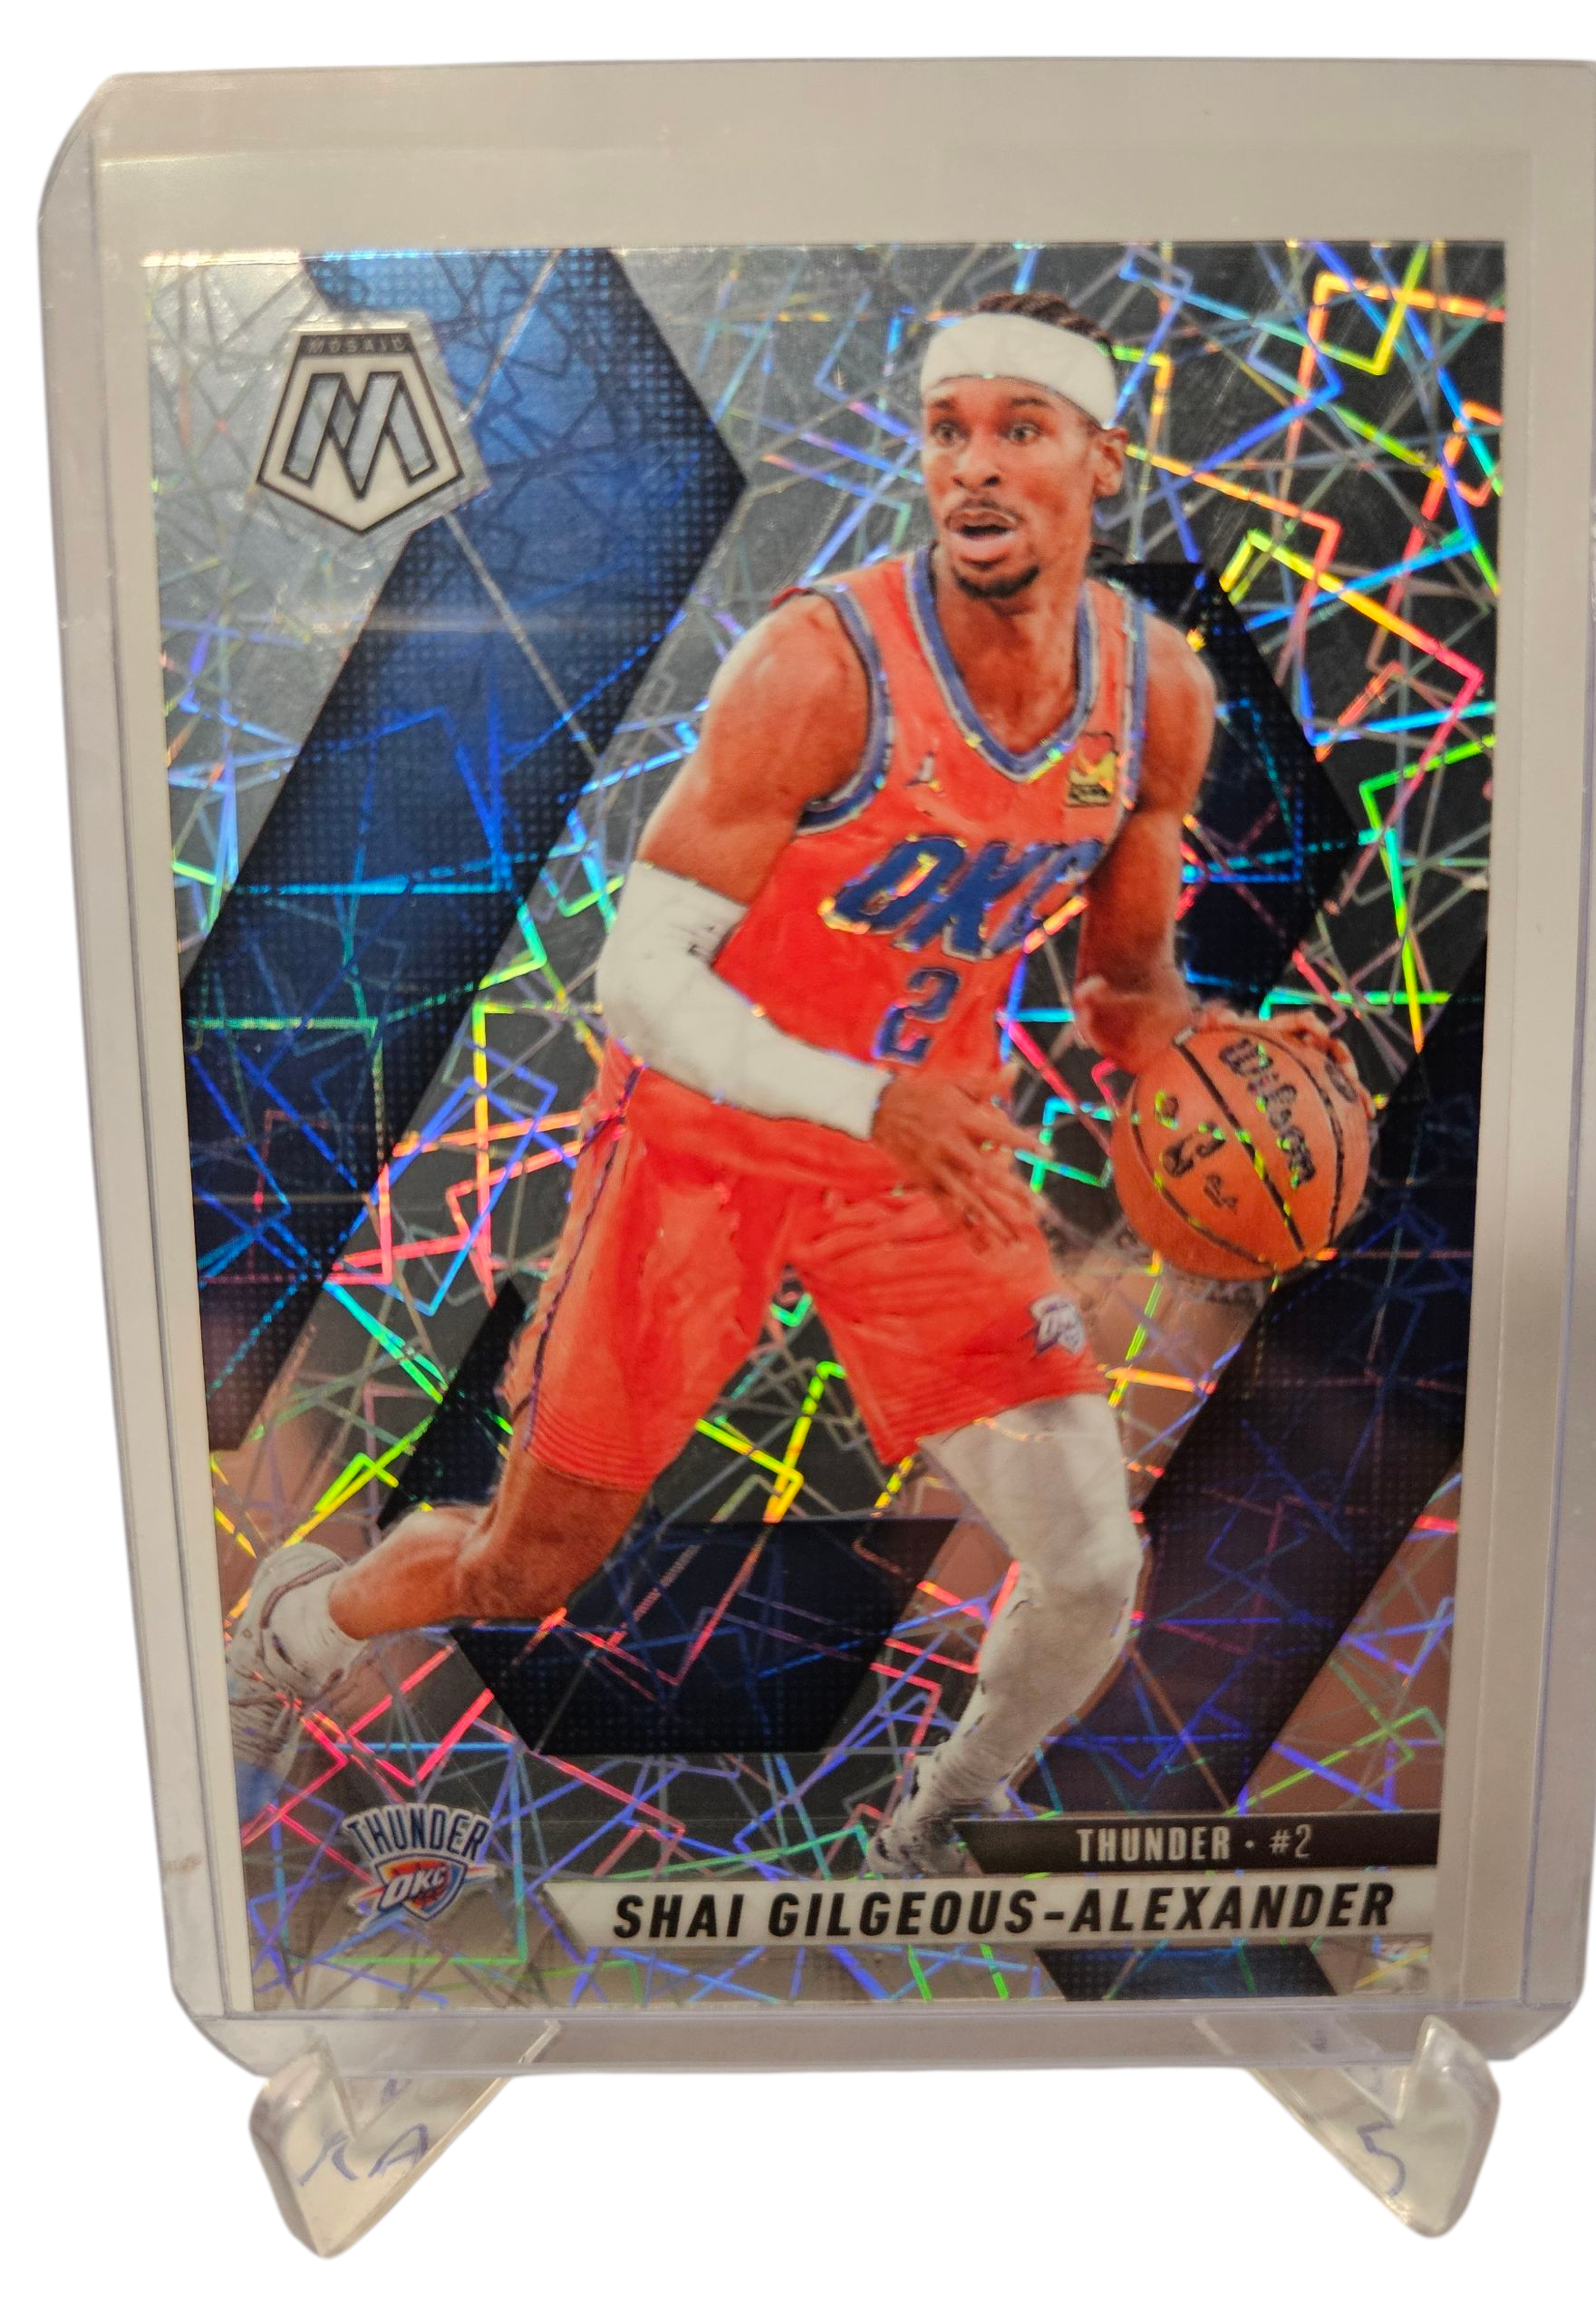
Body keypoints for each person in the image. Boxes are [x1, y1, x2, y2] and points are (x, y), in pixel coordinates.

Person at [229, 290, 1279, 1873]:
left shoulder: (1156, 697)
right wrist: (864, 1096)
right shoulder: (818, 666)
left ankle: (946, 1816)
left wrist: (1216, 1091)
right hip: (701, 1154)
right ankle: (294, 1635)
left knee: (1087, 1561)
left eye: (1022, 429)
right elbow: (640, 981)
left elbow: (1125, 989)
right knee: (529, 1567)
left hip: (917, 1173)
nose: (976, 466)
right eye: (949, 431)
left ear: (1103, 460)